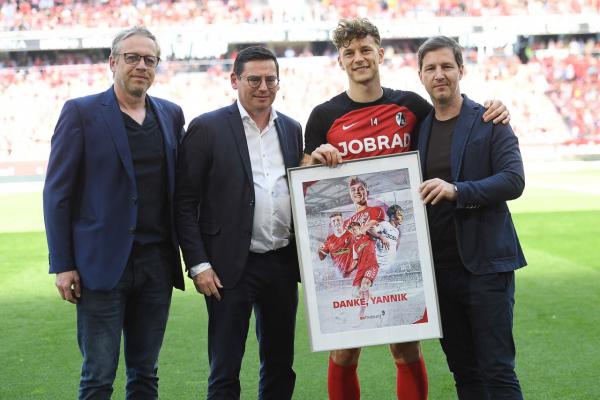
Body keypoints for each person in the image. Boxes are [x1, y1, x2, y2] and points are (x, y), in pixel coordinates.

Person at [303, 17, 511, 400]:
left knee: (407, 346)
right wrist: (316, 158)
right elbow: (306, 185)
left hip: (403, 247)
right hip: (353, 247)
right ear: (340, 62)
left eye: (366, 49)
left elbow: (455, 117)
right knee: (345, 349)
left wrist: (493, 106)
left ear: (380, 53)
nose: (359, 58)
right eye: (349, 53)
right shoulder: (323, 116)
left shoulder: (411, 106)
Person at [43, 26, 185, 399]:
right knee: (98, 376)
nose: (141, 65)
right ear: (112, 62)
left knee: (145, 375)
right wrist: (63, 263)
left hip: (156, 264)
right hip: (101, 267)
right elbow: (58, 193)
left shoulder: (170, 114)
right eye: (132, 57)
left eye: (149, 59)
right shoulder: (81, 112)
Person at [175, 46, 303, 400]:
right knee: (226, 367)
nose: (263, 87)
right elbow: (184, 203)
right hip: (228, 268)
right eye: (254, 79)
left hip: (280, 263)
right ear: (235, 80)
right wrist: (198, 264)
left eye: (270, 79)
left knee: (280, 364)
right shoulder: (208, 127)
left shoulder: (292, 129)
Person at [416, 35, 526, 399]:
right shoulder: (419, 129)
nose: (439, 74)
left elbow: (513, 180)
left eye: (447, 66)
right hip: (441, 271)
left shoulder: (490, 120)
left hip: (486, 268)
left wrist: (458, 190)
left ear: (461, 70)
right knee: (464, 372)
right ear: (420, 76)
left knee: (496, 370)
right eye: (430, 68)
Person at [318, 212, 354, 277]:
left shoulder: (351, 235)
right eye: (333, 221)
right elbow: (321, 257)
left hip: (353, 271)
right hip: (339, 273)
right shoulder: (329, 240)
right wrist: (319, 249)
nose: (336, 222)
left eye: (338, 220)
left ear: (342, 221)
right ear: (331, 224)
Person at [370, 204, 404, 270]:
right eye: (399, 215)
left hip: (390, 266)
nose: (402, 217)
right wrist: (381, 237)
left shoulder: (397, 231)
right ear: (392, 217)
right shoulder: (384, 224)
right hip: (380, 266)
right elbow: (370, 229)